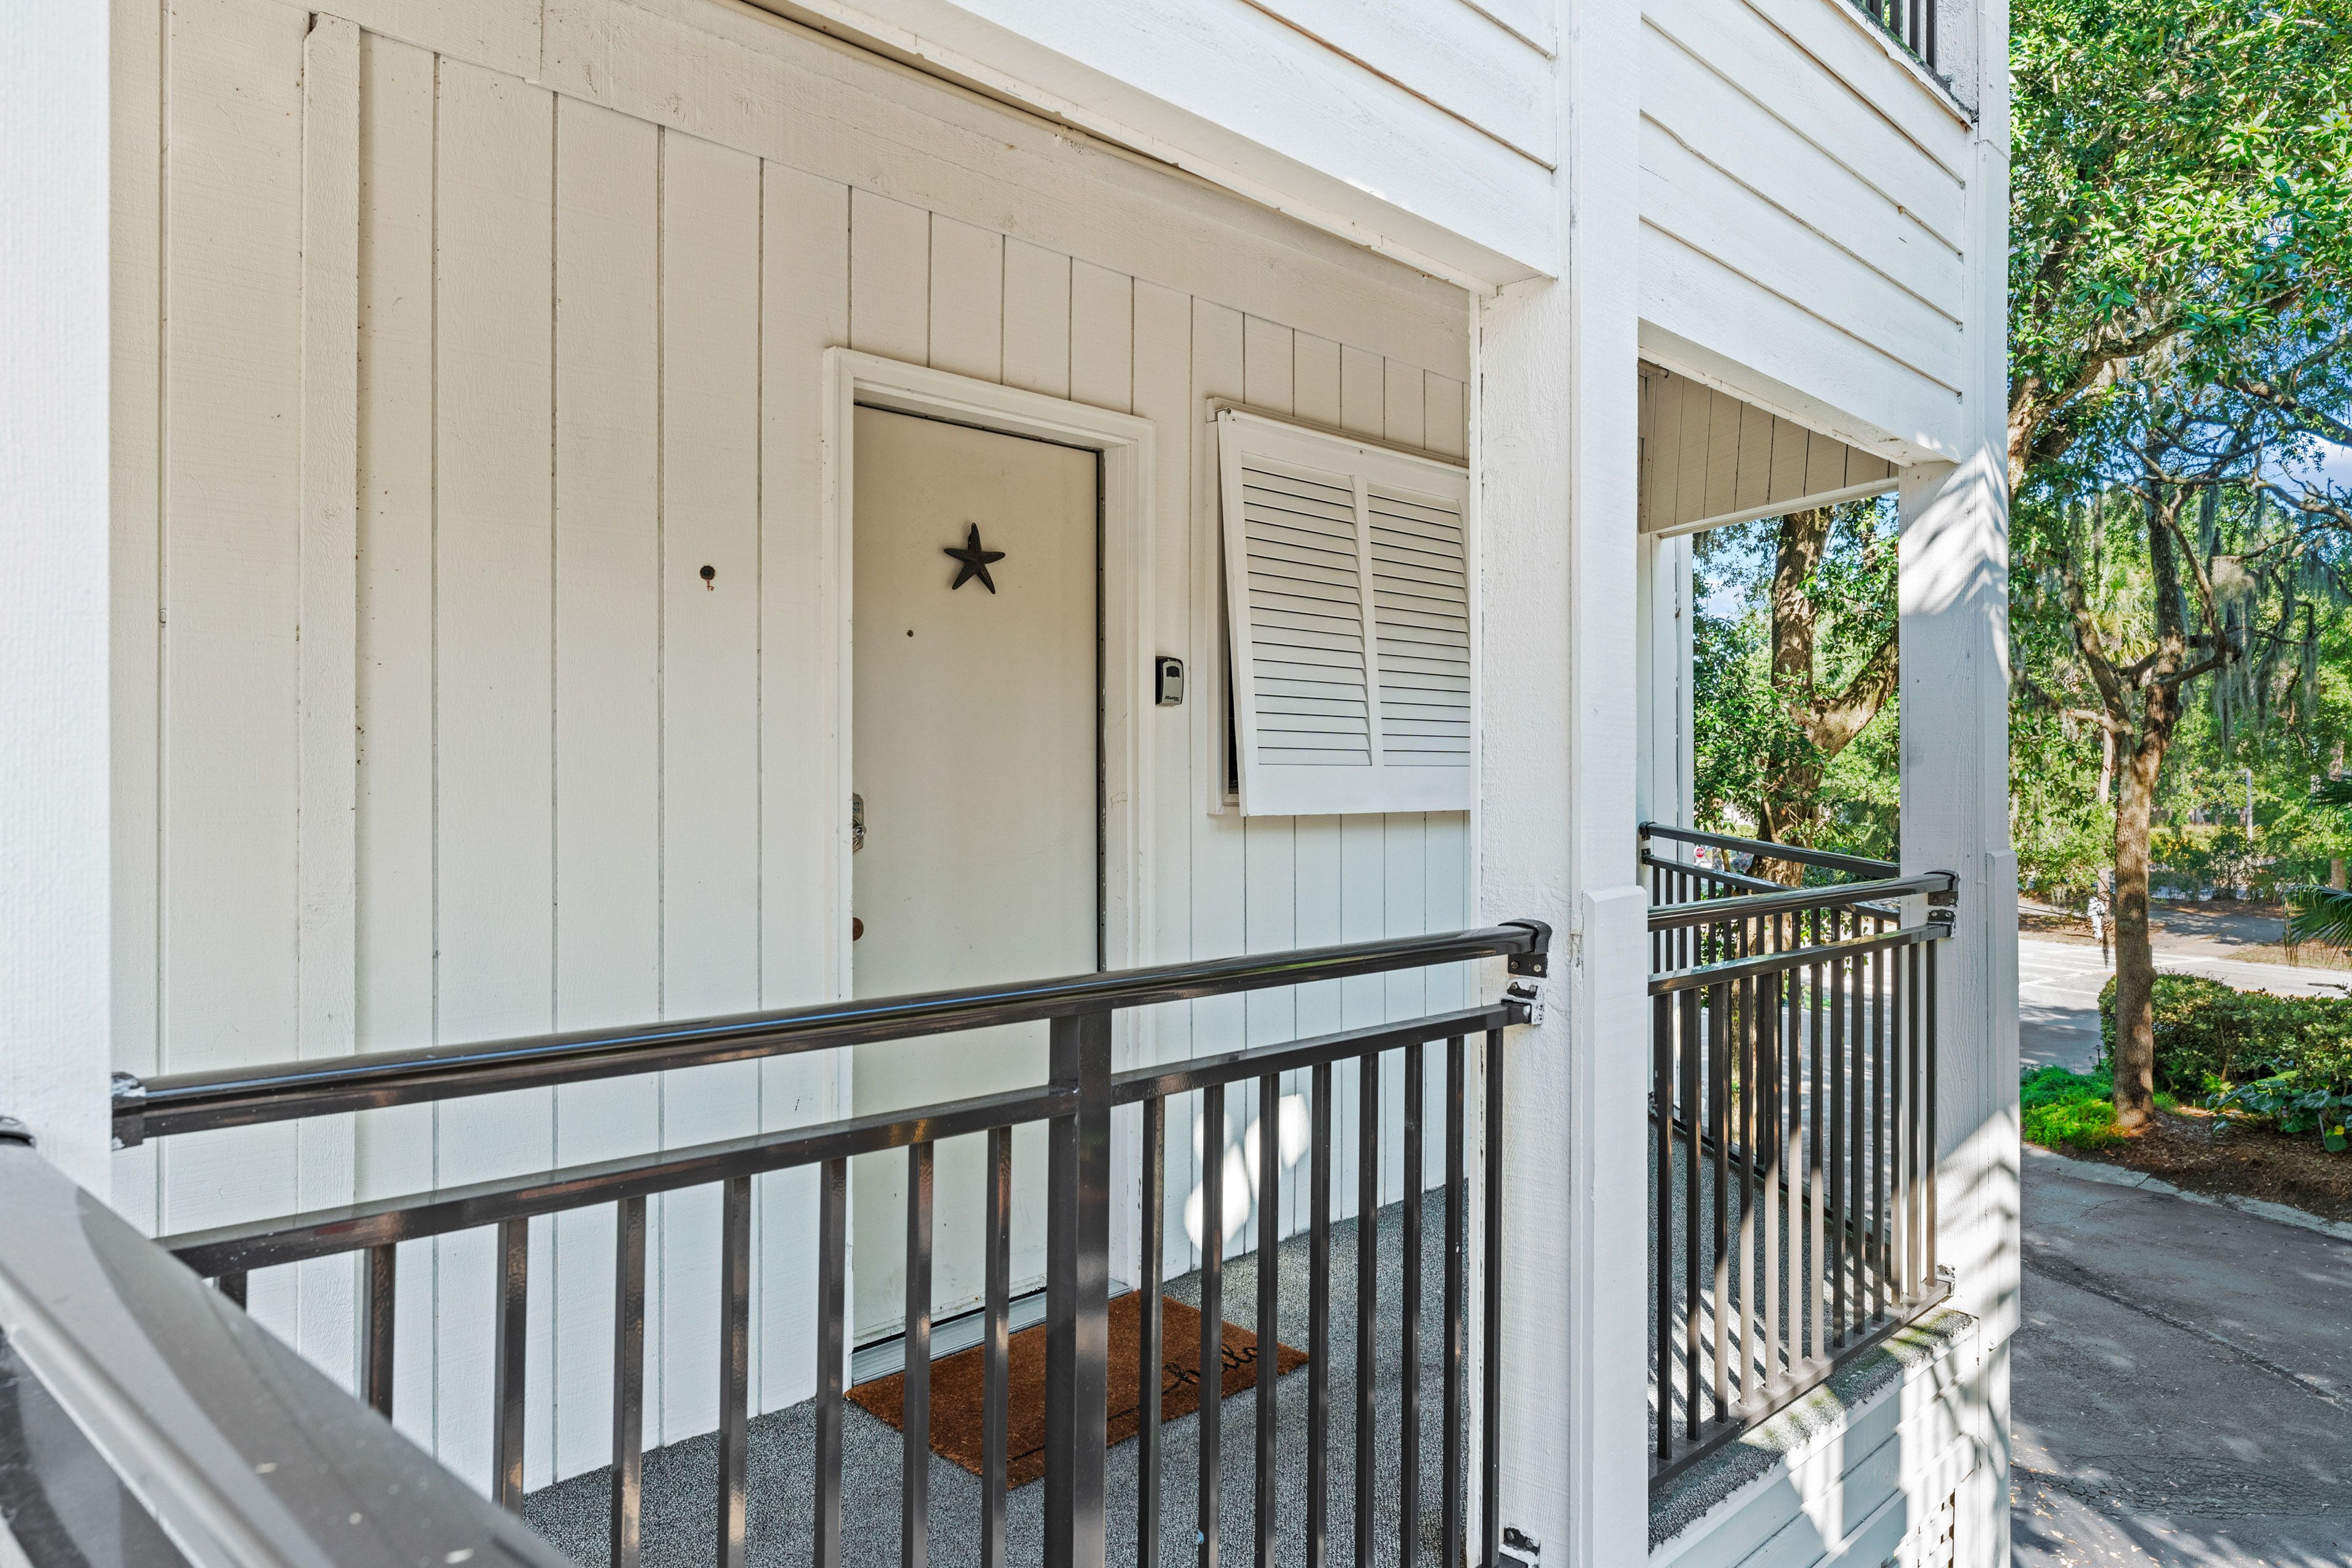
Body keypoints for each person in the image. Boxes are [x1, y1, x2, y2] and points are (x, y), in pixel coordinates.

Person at [2087, 889, 2109, 966]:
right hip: (2095, 917)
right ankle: (2097, 935)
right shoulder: (2095, 904)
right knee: (2096, 926)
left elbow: (2102, 910)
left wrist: (2101, 913)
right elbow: (2090, 911)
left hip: (2097, 917)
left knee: (2098, 926)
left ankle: (2099, 935)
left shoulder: (2098, 904)